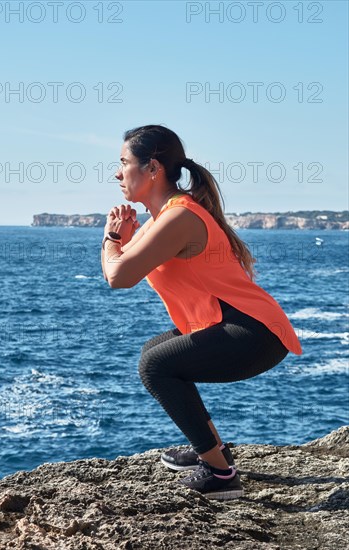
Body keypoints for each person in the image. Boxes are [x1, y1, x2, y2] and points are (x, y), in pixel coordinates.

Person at [101, 124, 302, 500]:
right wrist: (124, 239)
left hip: (254, 333)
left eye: (124, 162)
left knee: (156, 366)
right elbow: (125, 263)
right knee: (153, 352)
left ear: (153, 168)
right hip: (243, 327)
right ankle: (212, 451)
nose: (117, 172)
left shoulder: (179, 217)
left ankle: (221, 475)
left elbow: (118, 275)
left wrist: (112, 237)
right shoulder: (164, 216)